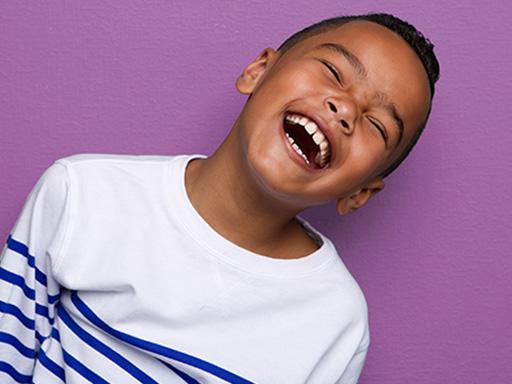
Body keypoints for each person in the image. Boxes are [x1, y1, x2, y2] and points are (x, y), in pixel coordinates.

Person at [0, 12, 440, 384]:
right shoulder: (83, 193)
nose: (345, 110)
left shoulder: (337, 322)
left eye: (377, 126)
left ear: (359, 193)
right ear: (259, 70)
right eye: (334, 72)